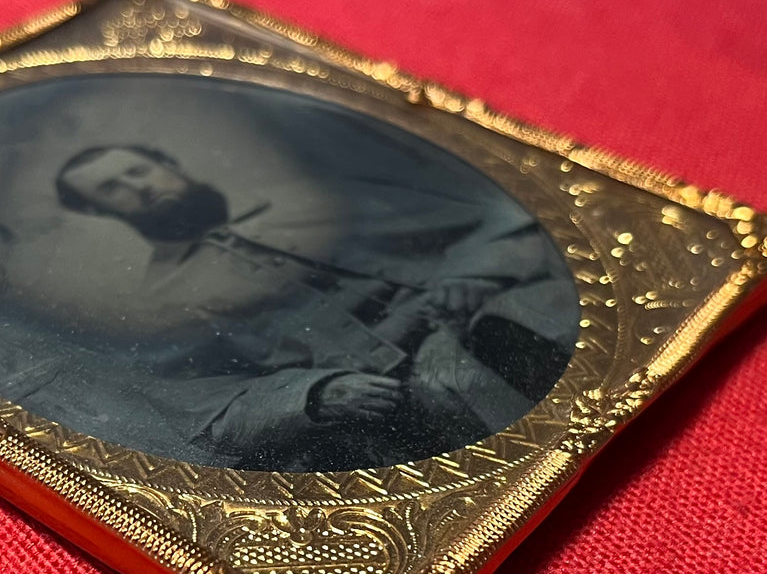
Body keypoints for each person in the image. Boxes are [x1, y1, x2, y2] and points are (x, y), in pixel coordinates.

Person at [51, 143, 576, 471]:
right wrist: (315, 394)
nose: (136, 190)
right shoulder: (163, 302)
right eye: (112, 190)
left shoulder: (309, 201)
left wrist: (474, 272)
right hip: (392, 391)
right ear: (99, 212)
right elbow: (201, 404)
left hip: (489, 315)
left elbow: (504, 219)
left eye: (139, 171)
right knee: (445, 388)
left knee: (524, 320)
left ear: (167, 161)